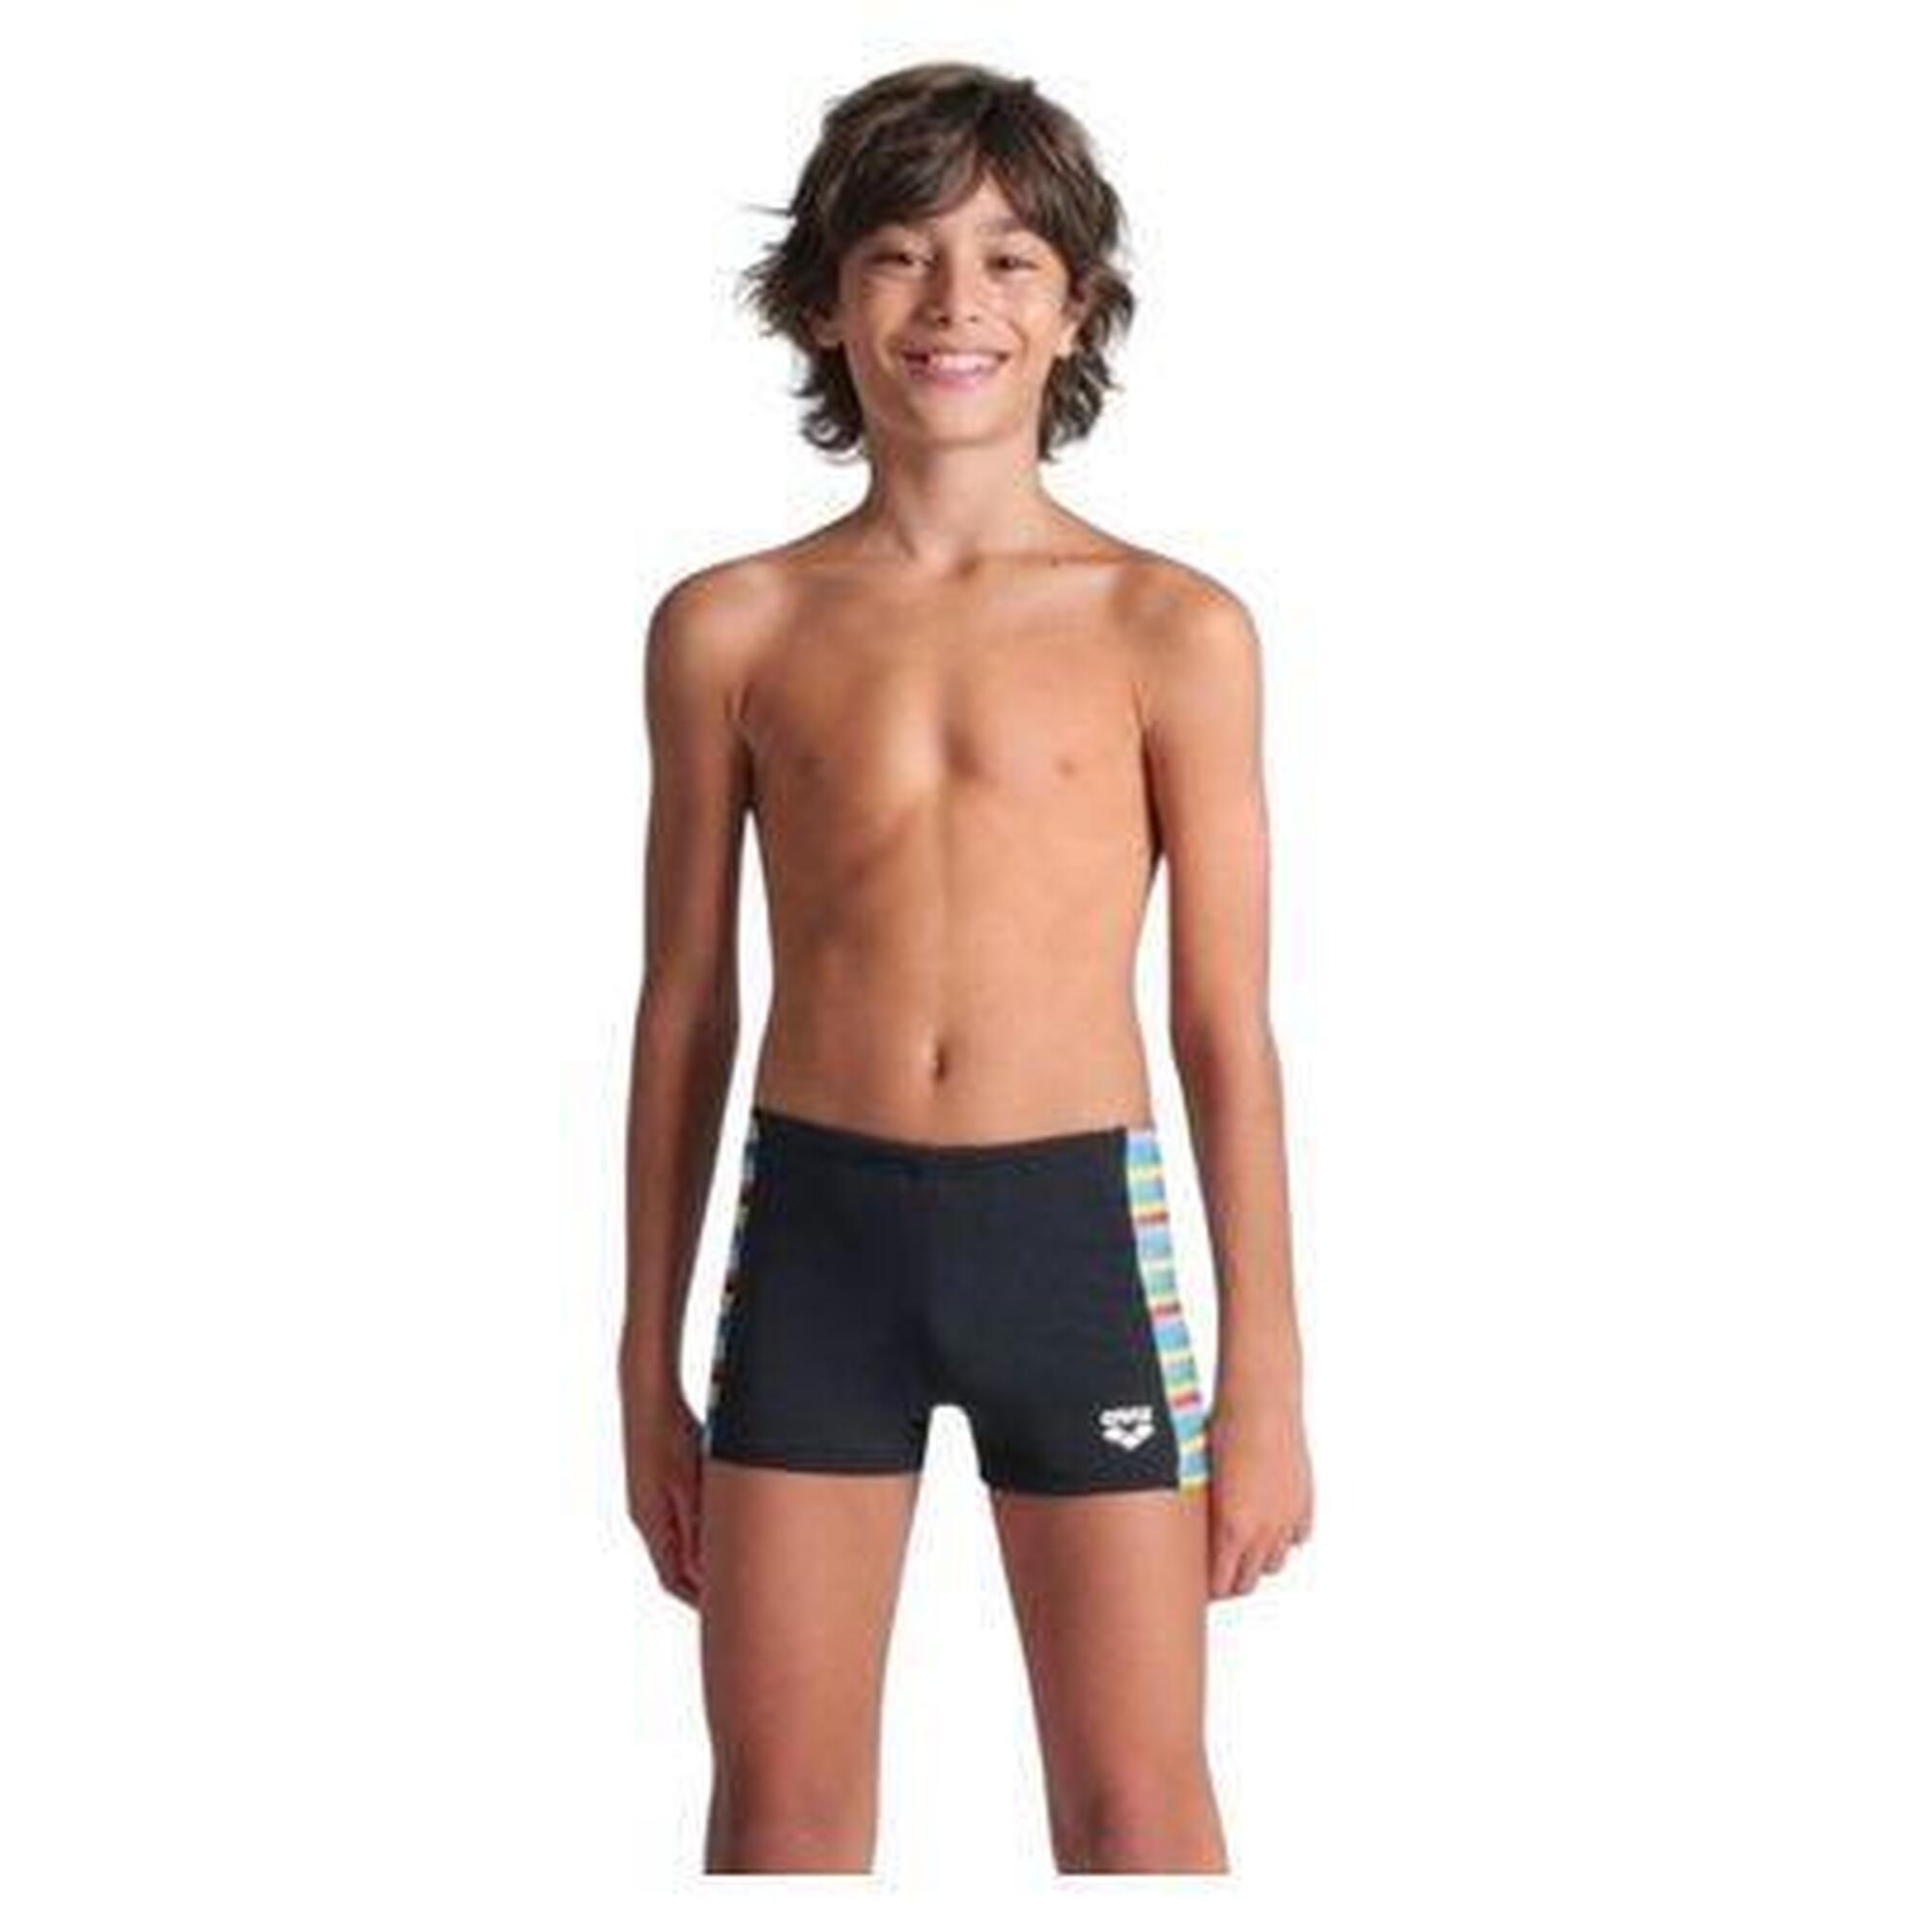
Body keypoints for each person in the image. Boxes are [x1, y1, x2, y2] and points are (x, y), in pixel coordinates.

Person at [618, 59, 1312, 1875]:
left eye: (1010, 261)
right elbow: (684, 1008)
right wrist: (639, 1351)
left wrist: (1269, 1372)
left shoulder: (1171, 627)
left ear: (1074, 309)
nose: (954, 304)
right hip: (817, 1242)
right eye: (901, 256)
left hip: (1073, 1235)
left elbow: (1224, 1026)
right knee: (780, 1821)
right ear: (823, 299)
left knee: (1137, 1807)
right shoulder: (731, 625)